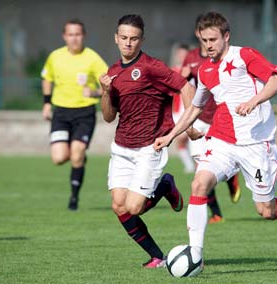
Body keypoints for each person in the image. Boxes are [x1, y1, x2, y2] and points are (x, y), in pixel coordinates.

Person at [154, 12, 277, 263]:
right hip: (222, 141)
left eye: (213, 39)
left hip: (257, 145)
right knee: (198, 185)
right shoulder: (205, 70)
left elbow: (276, 82)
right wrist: (172, 134)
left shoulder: (244, 56)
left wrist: (253, 101)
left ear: (226, 37)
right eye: (204, 40)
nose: (209, 45)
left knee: (266, 210)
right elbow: (195, 107)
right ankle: (196, 255)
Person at [99, 14, 196, 268]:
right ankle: (157, 256)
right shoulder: (111, 73)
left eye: (133, 39)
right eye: (124, 38)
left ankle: (165, 185)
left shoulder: (152, 66)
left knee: (134, 207)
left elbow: (186, 88)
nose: (128, 43)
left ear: (141, 40)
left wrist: (189, 125)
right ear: (116, 38)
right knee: (119, 206)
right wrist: (106, 92)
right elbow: (109, 117)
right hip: (121, 147)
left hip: (149, 146)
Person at [41, 19, 109, 210]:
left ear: (83, 36)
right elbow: (47, 78)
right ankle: (78, 155)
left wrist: (95, 92)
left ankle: (74, 198)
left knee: (77, 153)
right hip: (61, 113)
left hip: (84, 113)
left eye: (78, 34)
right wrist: (46, 104)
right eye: (70, 34)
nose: (74, 38)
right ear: (64, 36)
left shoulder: (92, 58)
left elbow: (108, 83)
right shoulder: (55, 56)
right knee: (59, 158)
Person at [181, 15, 241, 224]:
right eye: (201, 34)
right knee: (201, 171)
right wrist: (184, 75)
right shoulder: (190, 57)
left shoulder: (226, 58)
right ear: (198, 34)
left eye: (210, 37)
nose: (205, 40)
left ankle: (231, 177)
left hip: (220, 119)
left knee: (206, 171)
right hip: (200, 117)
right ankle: (216, 213)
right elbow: (185, 87)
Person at [170, 43, 195, 174]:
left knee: (188, 137)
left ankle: (194, 165)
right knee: (180, 140)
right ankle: (189, 165)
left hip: (191, 109)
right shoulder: (173, 71)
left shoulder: (194, 71)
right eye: (179, 54)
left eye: (184, 54)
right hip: (176, 110)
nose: (181, 56)